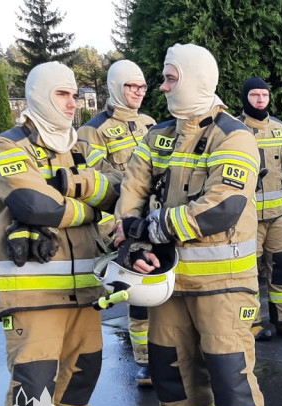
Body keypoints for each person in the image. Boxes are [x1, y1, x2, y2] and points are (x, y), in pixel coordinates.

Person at [114, 43, 269, 406]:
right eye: (163, 78)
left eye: (170, 78)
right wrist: (131, 235)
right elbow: (133, 189)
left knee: (231, 382)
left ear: (196, 78)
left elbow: (223, 207)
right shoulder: (158, 134)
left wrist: (154, 227)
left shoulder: (234, 135)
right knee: (171, 376)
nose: (162, 87)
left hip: (223, 286)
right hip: (168, 286)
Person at [0, 61, 117, 406]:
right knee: (33, 391)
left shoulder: (81, 147)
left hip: (85, 294)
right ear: (39, 94)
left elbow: (120, 188)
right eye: (62, 93)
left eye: (74, 94)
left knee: (79, 381)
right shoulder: (6, 146)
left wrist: (77, 200)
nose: (71, 102)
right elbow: (32, 204)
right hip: (33, 293)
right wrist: (90, 208)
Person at [77, 59, 158, 386]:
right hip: (121, 223)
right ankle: (145, 363)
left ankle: (165, 353)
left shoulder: (151, 123)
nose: (138, 92)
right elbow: (98, 185)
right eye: (130, 86)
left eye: (141, 87)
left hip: (154, 220)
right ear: (115, 87)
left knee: (160, 288)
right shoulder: (92, 130)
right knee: (137, 295)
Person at [238, 77, 282, 342]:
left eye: (264, 95)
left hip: (279, 214)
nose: (259, 100)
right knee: (248, 271)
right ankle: (251, 323)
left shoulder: (279, 127)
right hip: (247, 217)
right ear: (246, 98)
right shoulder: (235, 128)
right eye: (254, 95)